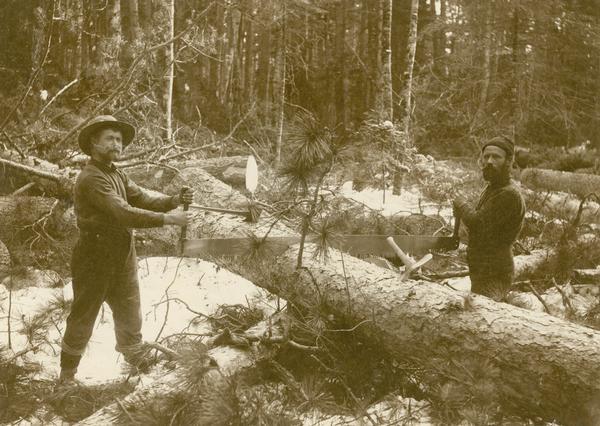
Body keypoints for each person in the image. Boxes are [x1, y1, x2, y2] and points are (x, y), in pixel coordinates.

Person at [59, 115, 194, 383]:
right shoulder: (91, 178)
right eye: (109, 138)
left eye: (119, 139)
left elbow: (141, 198)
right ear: (93, 143)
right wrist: (168, 219)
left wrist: (173, 200)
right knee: (83, 317)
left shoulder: (117, 173)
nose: (116, 144)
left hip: (122, 253)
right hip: (94, 256)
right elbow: (122, 212)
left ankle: (139, 370)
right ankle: (66, 376)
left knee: (130, 312)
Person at [452, 136, 525, 300]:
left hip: (495, 272)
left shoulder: (508, 194)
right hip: (482, 269)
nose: (490, 161)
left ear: (508, 161)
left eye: (496, 157)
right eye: (486, 157)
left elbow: (477, 223)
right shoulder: (492, 188)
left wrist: (461, 203)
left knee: (485, 318)